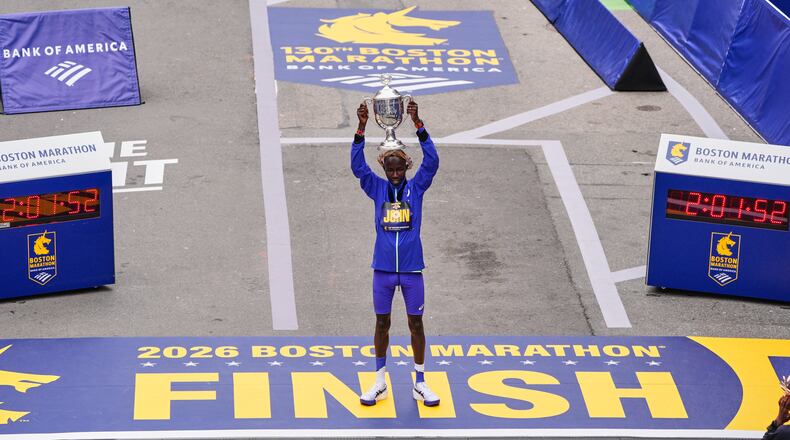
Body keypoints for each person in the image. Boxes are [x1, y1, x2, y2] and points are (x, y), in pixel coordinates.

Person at [351, 100, 440, 407]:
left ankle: (420, 382)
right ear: (384, 169)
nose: (395, 173)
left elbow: (433, 162)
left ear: (407, 167)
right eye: (390, 168)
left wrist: (418, 123)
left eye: (400, 167)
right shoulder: (376, 188)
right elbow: (357, 168)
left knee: (416, 324)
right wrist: (361, 128)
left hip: (413, 270)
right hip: (384, 270)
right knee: (382, 323)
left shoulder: (417, 188)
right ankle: (379, 381)